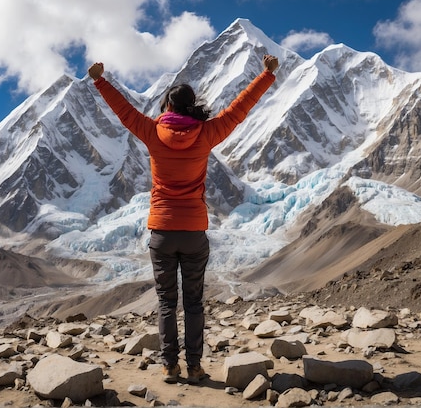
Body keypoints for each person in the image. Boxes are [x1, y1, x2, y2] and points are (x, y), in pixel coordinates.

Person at [88, 53, 279, 384]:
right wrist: (266, 75)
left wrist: (100, 80)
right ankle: (194, 366)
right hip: (193, 231)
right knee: (193, 303)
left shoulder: (150, 131)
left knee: (166, 303)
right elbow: (238, 111)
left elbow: (124, 112)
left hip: (161, 230)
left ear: (166, 106)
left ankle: (169, 366)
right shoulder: (206, 134)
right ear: (192, 107)